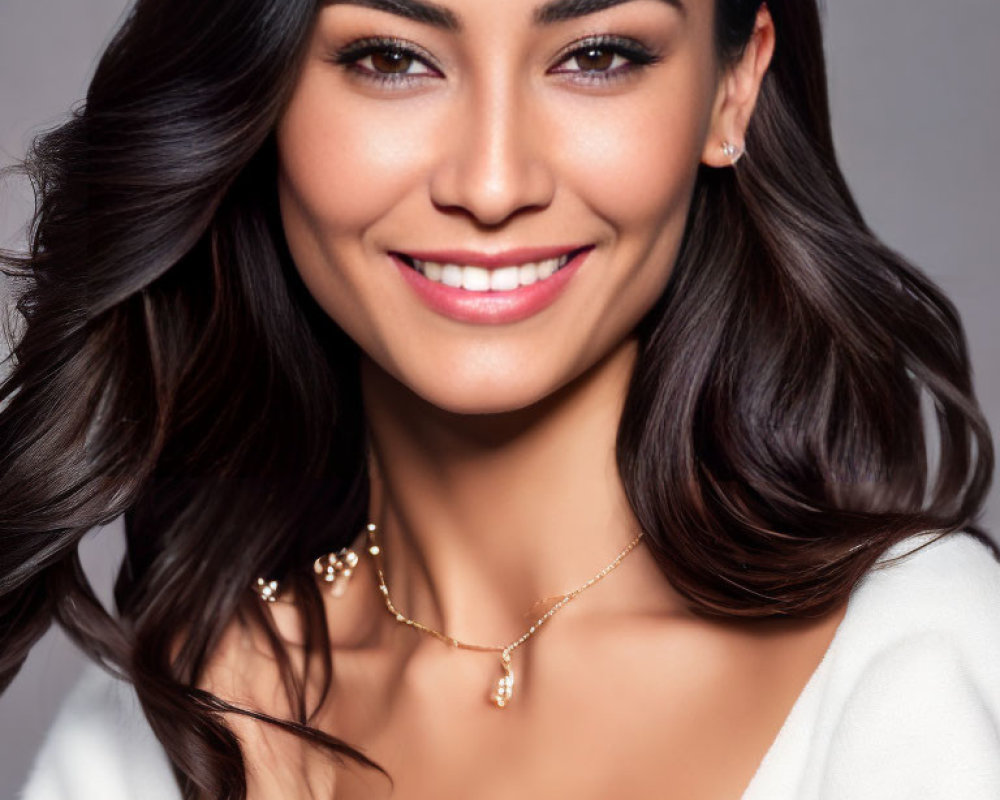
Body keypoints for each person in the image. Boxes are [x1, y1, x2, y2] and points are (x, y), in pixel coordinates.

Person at [2, 0, 998, 798]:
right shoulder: (171, 713)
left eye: (597, 54)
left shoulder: (912, 653)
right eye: (391, 58)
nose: (490, 183)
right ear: (259, 99)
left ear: (730, 89)